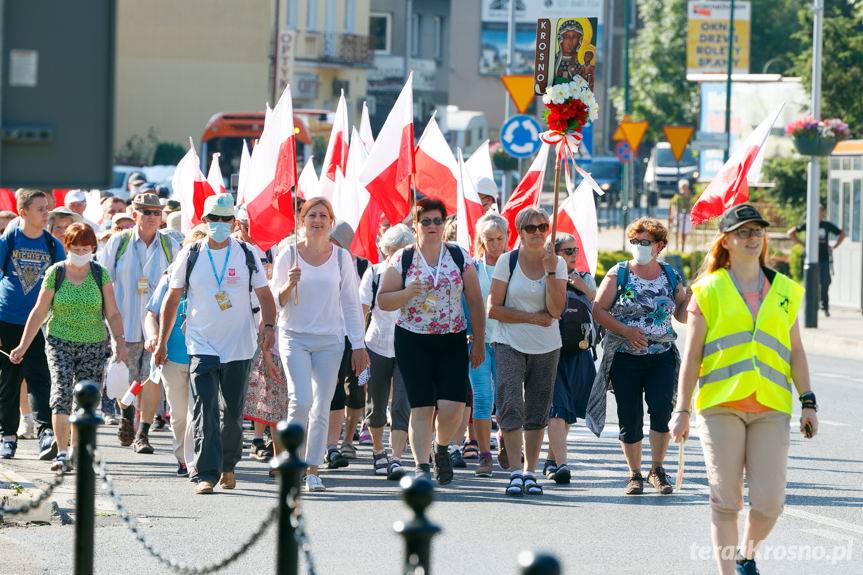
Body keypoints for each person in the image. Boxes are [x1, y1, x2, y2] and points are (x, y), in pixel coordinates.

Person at [670, 204, 818, 575]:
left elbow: (796, 350)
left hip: (771, 406)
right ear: (727, 241)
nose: (752, 238)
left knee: (769, 504)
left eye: (757, 231)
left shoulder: (785, 291)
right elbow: (691, 357)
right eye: (743, 232)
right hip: (721, 406)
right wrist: (682, 411)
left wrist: (808, 401)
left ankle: (745, 555)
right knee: (726, 500)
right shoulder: (707, 291)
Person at [157, 194, 275, 494]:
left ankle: (229, 465)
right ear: (205, 221)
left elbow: (265, 296)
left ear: (233, 223)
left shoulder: (248, 253)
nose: (219, 225)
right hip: (201, 344)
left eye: (225, 219)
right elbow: (172, 299)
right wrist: (161, 342)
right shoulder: (191, 253)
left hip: (239, 345)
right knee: (204, 406)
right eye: (214, 219)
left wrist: (269, 327)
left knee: (232, 413)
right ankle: (205, 473)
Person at [377, 198, 485, 484]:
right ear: (415, 226)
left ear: (445, 224)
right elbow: (384, 300)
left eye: (438, 221)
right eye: (426, 221)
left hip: (452, 339)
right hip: (413, 340)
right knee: (422, 407)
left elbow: (475, 300)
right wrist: (406, 293)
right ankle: (422, 466)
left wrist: (479, 341)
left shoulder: (459, 255)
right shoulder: (402, 258)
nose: (433, 226)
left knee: (453, 408)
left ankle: (441, 447)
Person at [10, 223, 127, 471]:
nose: (81, 252)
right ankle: (62, 452)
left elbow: (113, 312)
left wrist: (120, 341)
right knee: (61, 394)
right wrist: (23, 345)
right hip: (59, 341)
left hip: (94, 344)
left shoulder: (100, 273)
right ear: (68, 247)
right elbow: (39, 311)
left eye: (86, 248)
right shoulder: (56, 272)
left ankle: (76, 449)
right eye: (76, 247)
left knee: (86, 401)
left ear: (93, 248)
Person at [270, 197, 368, 492]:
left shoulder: (341, 258)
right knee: (300, 401)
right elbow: (275, 301)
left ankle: (313, 469)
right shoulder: (288, 254)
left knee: (322, 406)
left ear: (330, 221)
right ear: (302, 220)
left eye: (323, 216)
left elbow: (351, 303)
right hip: (294, 336)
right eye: (311, 215)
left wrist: (359, 345)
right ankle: (294, 463)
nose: (317, 220)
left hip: (330, 341)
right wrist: (288, 284)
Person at [588, 217, 690, 495]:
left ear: (659, 245)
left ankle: (657, 469)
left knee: (661, 410)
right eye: (635, 242)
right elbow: (598, 310)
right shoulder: (618, 273)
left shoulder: (670, 275)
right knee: (629, 416)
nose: (639, 247)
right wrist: (626, 330)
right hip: (625, 355)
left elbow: (680, 316)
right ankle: (634, 474)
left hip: (662, 354)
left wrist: (688, 299)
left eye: (645, 242)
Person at [488, 208, 566, 496]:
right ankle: (514, 471)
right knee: (509, 403)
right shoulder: (507, 262)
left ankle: (530, 471)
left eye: (542, 227)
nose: (536, 233)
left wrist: (549, 271)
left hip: (546, 345)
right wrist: (532, 318)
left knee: (537, 408)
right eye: (529, 228)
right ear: (519, 232)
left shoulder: (556, 264)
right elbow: (493, 308)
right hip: (509, 340)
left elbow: (556, 310)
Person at [99, 192, 179, 453]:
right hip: (125, 324)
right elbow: (104, 283)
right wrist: (109, 326)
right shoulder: (118, 243)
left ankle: (142, 433)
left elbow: (179, 286)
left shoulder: (170, 246)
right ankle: (125, 415)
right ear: (135, 215)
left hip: (156, 328)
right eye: (147, 212)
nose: (153, 217)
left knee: (151, 380)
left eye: (157, 213)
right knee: (127, 380)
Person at [0, 189, 65, 461]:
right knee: (8, 381)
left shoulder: (52, 245)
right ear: (23, 212)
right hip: (7, 318)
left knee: (40, 378)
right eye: (40, 208)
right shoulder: (8, 241)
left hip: (40, 323)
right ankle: (8, 436)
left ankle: (45, 434)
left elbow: (62, 283)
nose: (46, 212)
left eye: (47, 207)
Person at [358, 223, 414, 480]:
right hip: (377, 345)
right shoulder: (375, 273)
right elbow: (362, 312)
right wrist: (358, 348)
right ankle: (378, 451)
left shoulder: (417, 275)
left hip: (408, 347)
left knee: (403, 403)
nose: (398, 256)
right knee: (376, 403)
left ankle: (396, 457)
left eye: (405, 250)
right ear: (386, 251)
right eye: (394, 251)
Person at [543, 234, 597, 484]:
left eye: (575, 250)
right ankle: (562, 463)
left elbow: (598, 306)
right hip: (551, 351)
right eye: (567, 251)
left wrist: (581, 286)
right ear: (554, 254)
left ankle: (552, 460)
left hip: (579, 352)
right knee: (556, 409)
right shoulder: (546, 276)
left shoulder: (585, 278)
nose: (573, 254)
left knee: (569, 412)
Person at [466, 212, 509, 477]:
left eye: (499, 238)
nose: (494, 244)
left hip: (508, 342)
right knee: (482, 398)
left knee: (507, 400)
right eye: (489, 239)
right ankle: (484, 454)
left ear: (506, 238)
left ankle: (507, 440)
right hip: (478, 343)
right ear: (481, 241)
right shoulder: (472, 267)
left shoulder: (514, 265)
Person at [326, 221, 369, 462]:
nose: (330, 245)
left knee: (355, 389)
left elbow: (361, 305)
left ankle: (347, 440)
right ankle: (328, 443)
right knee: (331, 390)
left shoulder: (361, 265)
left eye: (335, 241)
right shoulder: (320, 261)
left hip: (355, 336)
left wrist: (360, 343)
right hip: (328, 334)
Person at [788, 206, 845, 316]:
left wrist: (834, 247)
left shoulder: (826, 225)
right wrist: (802, 244)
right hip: (810, 258)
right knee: (811, 284)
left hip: (824, 259)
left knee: (825, 283)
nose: (820, 214)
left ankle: (825, 306)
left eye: (821, 212)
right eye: (817, 212)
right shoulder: (808, 224)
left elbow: (842, 234)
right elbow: (790, 232)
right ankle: (811, 306)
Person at [669, 179, 693, 250]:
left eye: (685, 187)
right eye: (682, 187)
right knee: (678, 231)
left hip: (687, 216)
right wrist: (672, 216)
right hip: (679, 216)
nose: (684, 189)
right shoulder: (677, 197)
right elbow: (673, 206)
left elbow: (692, 205)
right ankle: (678, 246)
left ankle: (683, 244)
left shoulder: (690, 196)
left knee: (685, 232)